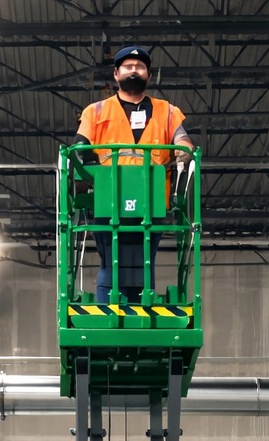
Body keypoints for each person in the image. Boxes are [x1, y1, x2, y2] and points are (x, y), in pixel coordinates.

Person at [73, 45, 194, 304]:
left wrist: (184, 150)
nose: (134, 70)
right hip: (108, 202)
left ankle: (138, 305)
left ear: (149, 76)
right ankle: (116, 306)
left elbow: (183, 140)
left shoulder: (167, 111)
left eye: (140, 67)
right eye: (128, 67)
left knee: (144, 260)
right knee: (111, 258)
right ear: (116, 74)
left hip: (152, 203)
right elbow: (80, 150)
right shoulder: (95, 111)